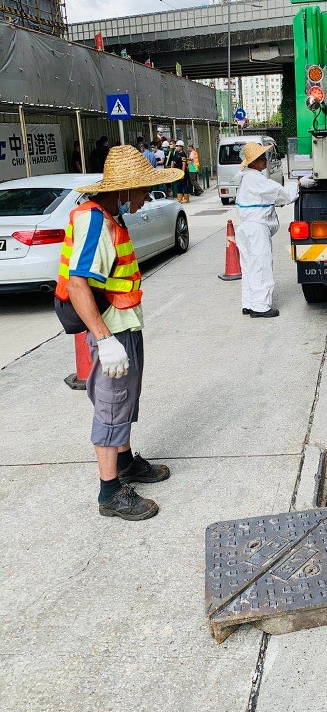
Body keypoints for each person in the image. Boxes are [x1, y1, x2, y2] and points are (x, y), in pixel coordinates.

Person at [54, 145, 184, 520]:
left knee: (125, 398)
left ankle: (124, 462)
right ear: (125, 189)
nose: (146, 198)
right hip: (110, 329)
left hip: (122, 323)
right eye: (143, 190)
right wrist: (104, 339)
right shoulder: (95, 222)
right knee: (112, 405)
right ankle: (110, 492)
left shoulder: (111, 215)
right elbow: (78, 284)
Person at [235, 141, 303, 317]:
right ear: (253, 161)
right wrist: (298, 184)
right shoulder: (255, 178)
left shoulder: (246, 177)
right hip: (257, 228)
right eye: (262, 157)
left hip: (246, 228)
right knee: (261, 266)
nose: (266, 159)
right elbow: (281, 194)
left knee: (249, 266)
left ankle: (249, 303)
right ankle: (261, 307)